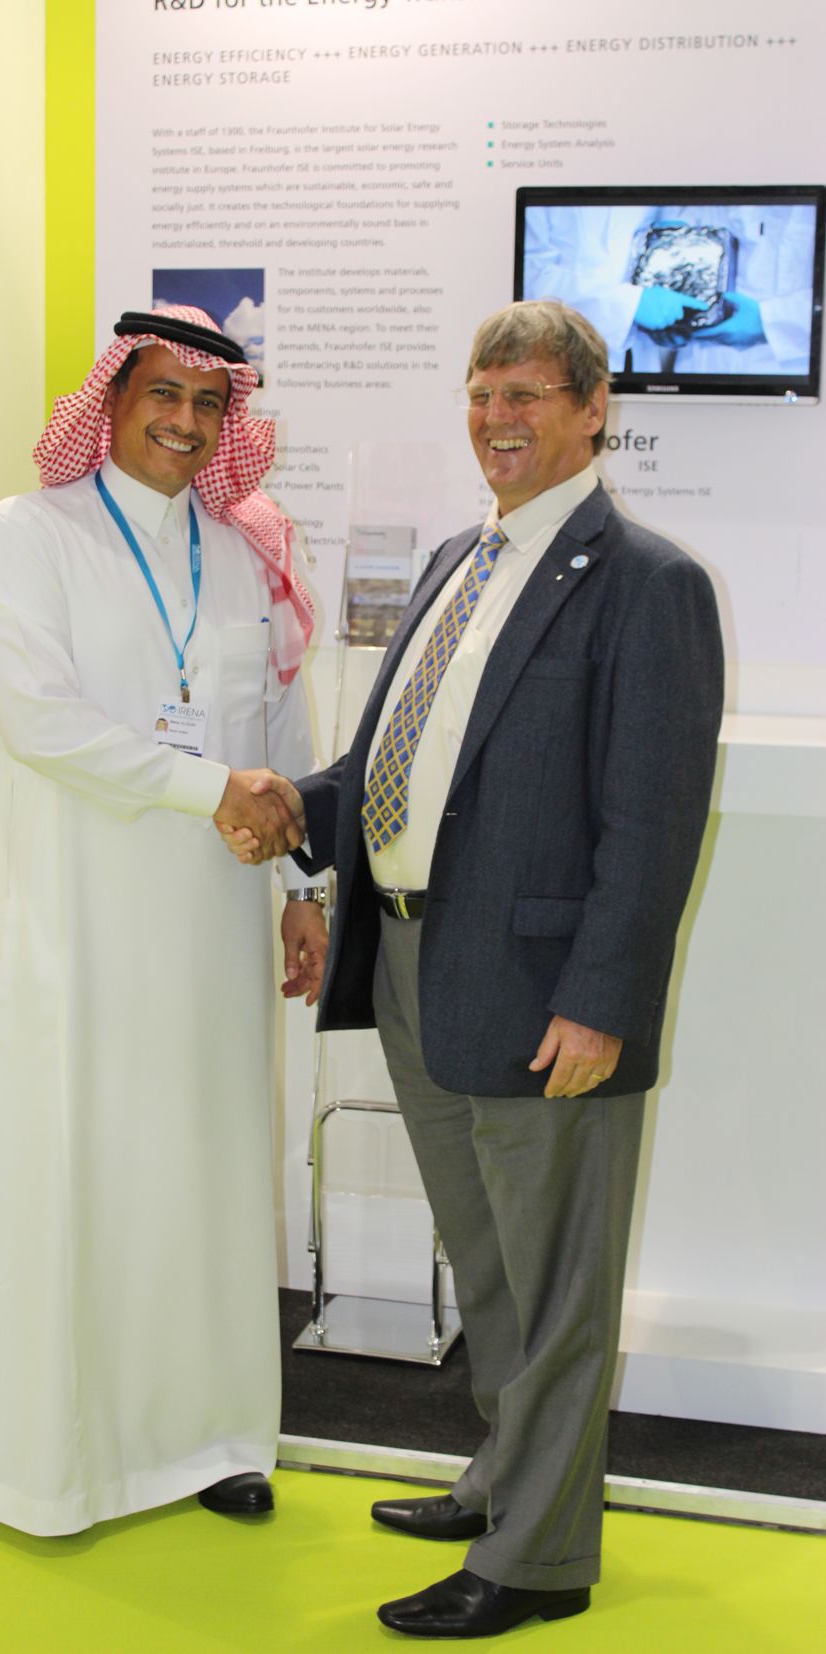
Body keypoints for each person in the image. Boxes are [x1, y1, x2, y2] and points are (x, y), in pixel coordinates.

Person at [226, 301, 724, 1637]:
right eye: (480, 391)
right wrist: (296, 807)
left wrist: (601, 1000)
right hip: (413, 966)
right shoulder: (462, 556)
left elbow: (650, 822)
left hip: (543, 997)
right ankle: (505, 1476)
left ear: (588, 409)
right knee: (491, 1267)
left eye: (525, 395)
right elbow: (408, 769)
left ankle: (540, 1559)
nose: (496, 418)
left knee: (557, 1284)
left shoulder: (647, 584)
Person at [0, 305, 328, 1537]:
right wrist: (203, 787)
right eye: (162, 393)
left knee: (210, 1177)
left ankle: (215, 1436)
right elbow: (39, 721)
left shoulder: (241, 549)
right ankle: (52, 1464)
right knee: (82, 1174)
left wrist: (304, 888)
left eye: (208, 403)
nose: (184, 419)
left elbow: (278, 737)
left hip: (212, 928)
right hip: (78, 928)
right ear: (109, 402)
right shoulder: (28, 535)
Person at [524, 201, 815, 376]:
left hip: (786, 375)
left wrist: (770, 321)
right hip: (686, 370)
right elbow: (527, 276)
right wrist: (640, 307)